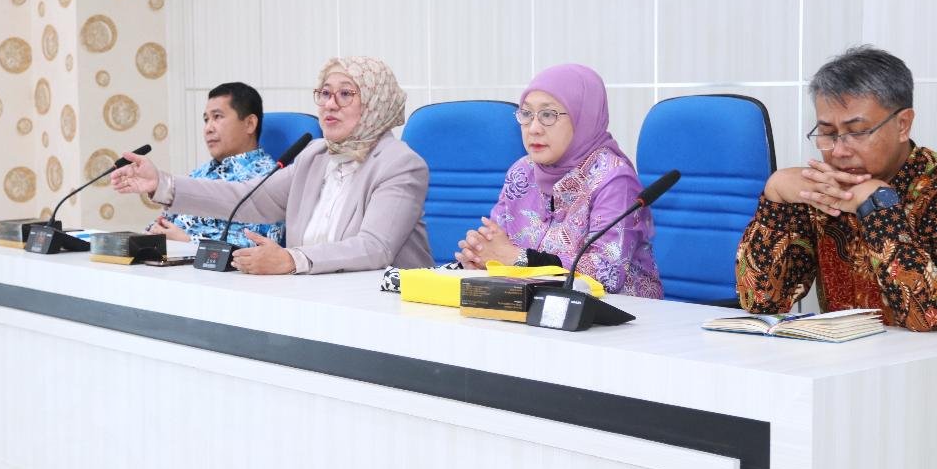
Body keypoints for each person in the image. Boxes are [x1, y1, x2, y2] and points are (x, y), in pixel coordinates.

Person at [735, 46, 937, 335]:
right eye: (828, 134)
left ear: (902, 125)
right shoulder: (822, 190)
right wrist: (775, 200)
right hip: (853, 362)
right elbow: (762, 302)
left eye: (857, 132)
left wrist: (878, 206)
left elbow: (928, 314)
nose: (840, 151)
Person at [112, 57, 432, 274]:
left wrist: (292, 259)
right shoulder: (315, 154)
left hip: (379, 306)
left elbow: (374, 248)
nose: (329, 104)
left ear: (376, 103)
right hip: (310, 295)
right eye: (324, 94)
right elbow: (247, 199)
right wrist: (162, 184)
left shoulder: (400, 164)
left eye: (345, 94)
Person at [453, 63, 663, 297]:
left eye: (548, 115)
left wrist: (516, 259)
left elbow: (608, 275)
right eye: (526, 114)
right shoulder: (522, 172)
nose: (533, 128)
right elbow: (497, 245)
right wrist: (481, 257)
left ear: (583, 116)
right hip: (537, 308)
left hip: (620, 317)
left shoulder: (613, 179)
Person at [147, 82, 284, 247]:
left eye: (217, 117)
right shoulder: (199, 174)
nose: (208, 128)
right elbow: (162, 223)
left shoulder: (271, 178)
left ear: (249, 124)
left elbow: (265, 246)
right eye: (206, 119)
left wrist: (190, 243)